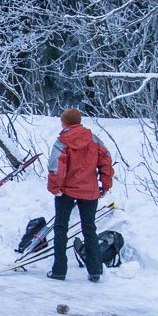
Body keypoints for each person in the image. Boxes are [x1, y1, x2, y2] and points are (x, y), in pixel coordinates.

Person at [46, 108, 114, 282]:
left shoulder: (62, 141)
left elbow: (56, 166)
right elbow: (106, 161)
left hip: (66, 191)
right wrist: (105, 185)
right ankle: (95, 270)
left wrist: (55, 187)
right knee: (89, 229)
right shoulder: (94, 139)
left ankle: (59, 270)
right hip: (89, 191)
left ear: (64, 122)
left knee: (61, 228)